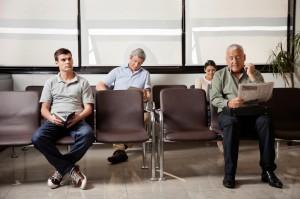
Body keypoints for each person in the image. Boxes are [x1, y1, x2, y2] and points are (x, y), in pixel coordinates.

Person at [210, 44, 283, 189]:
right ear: (226, 60)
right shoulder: (219, 75)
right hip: (229, 113)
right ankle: (229, 174)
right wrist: (229, 102)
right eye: (231, 58)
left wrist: (251, 75)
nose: (234, 61)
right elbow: (214, 98)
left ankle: (268, 171)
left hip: (252, 113)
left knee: (266, 121)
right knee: (230, 123)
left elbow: (264, 96)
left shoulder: (255, 73)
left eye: (238, 57)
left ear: (244, 58)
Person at [32, 48, 95, 190]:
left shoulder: (83, 82)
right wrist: (51, 118)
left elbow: (88, 108)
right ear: (57, 63)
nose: (68, 62)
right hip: (55, 121)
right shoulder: (50, 82)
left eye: (69, 59)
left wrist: (79, 117)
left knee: (88, 134)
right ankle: (70, 169)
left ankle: (60, 170)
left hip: (76, 120)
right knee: (37, 138)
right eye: (63, 59)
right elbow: (44, 109)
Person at [96, 48, 151, 164]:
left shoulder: (145, 74)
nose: (136, 65)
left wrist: (145, 95)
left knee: (147, 116)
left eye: (139, 63)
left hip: (134, 110)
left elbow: (148, 94)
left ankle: (119, 150)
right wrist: (110, 96)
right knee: (116, 119)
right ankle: (120, 151)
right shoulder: (117, 71)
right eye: (134, 61)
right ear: (130, 58)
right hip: (117, 108)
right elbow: (100, 85)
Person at [195, 60, 223, 153]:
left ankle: (217, 135)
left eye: (213, 70)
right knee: (212, 109)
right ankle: (215, 132)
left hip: (217, 104)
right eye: (208, 70)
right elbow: (197, 96)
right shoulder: (200, 80)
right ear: (205, 70)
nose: (211, 72)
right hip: (205, 104)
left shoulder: (219, 79)